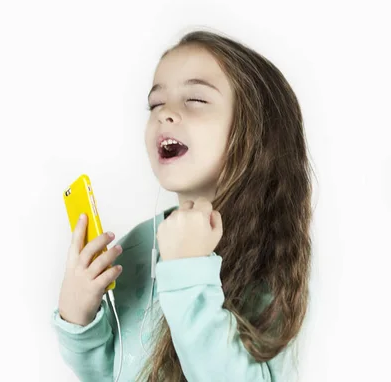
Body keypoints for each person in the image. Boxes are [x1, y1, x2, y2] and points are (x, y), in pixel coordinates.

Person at [52, 29, 312, 382]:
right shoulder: (142, 243)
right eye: (156, 104)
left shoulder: (272, 254)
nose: (165, 114)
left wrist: (189, 271)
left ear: (256, 130)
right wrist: (80, 320)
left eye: (195, 100)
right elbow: (118, 372)